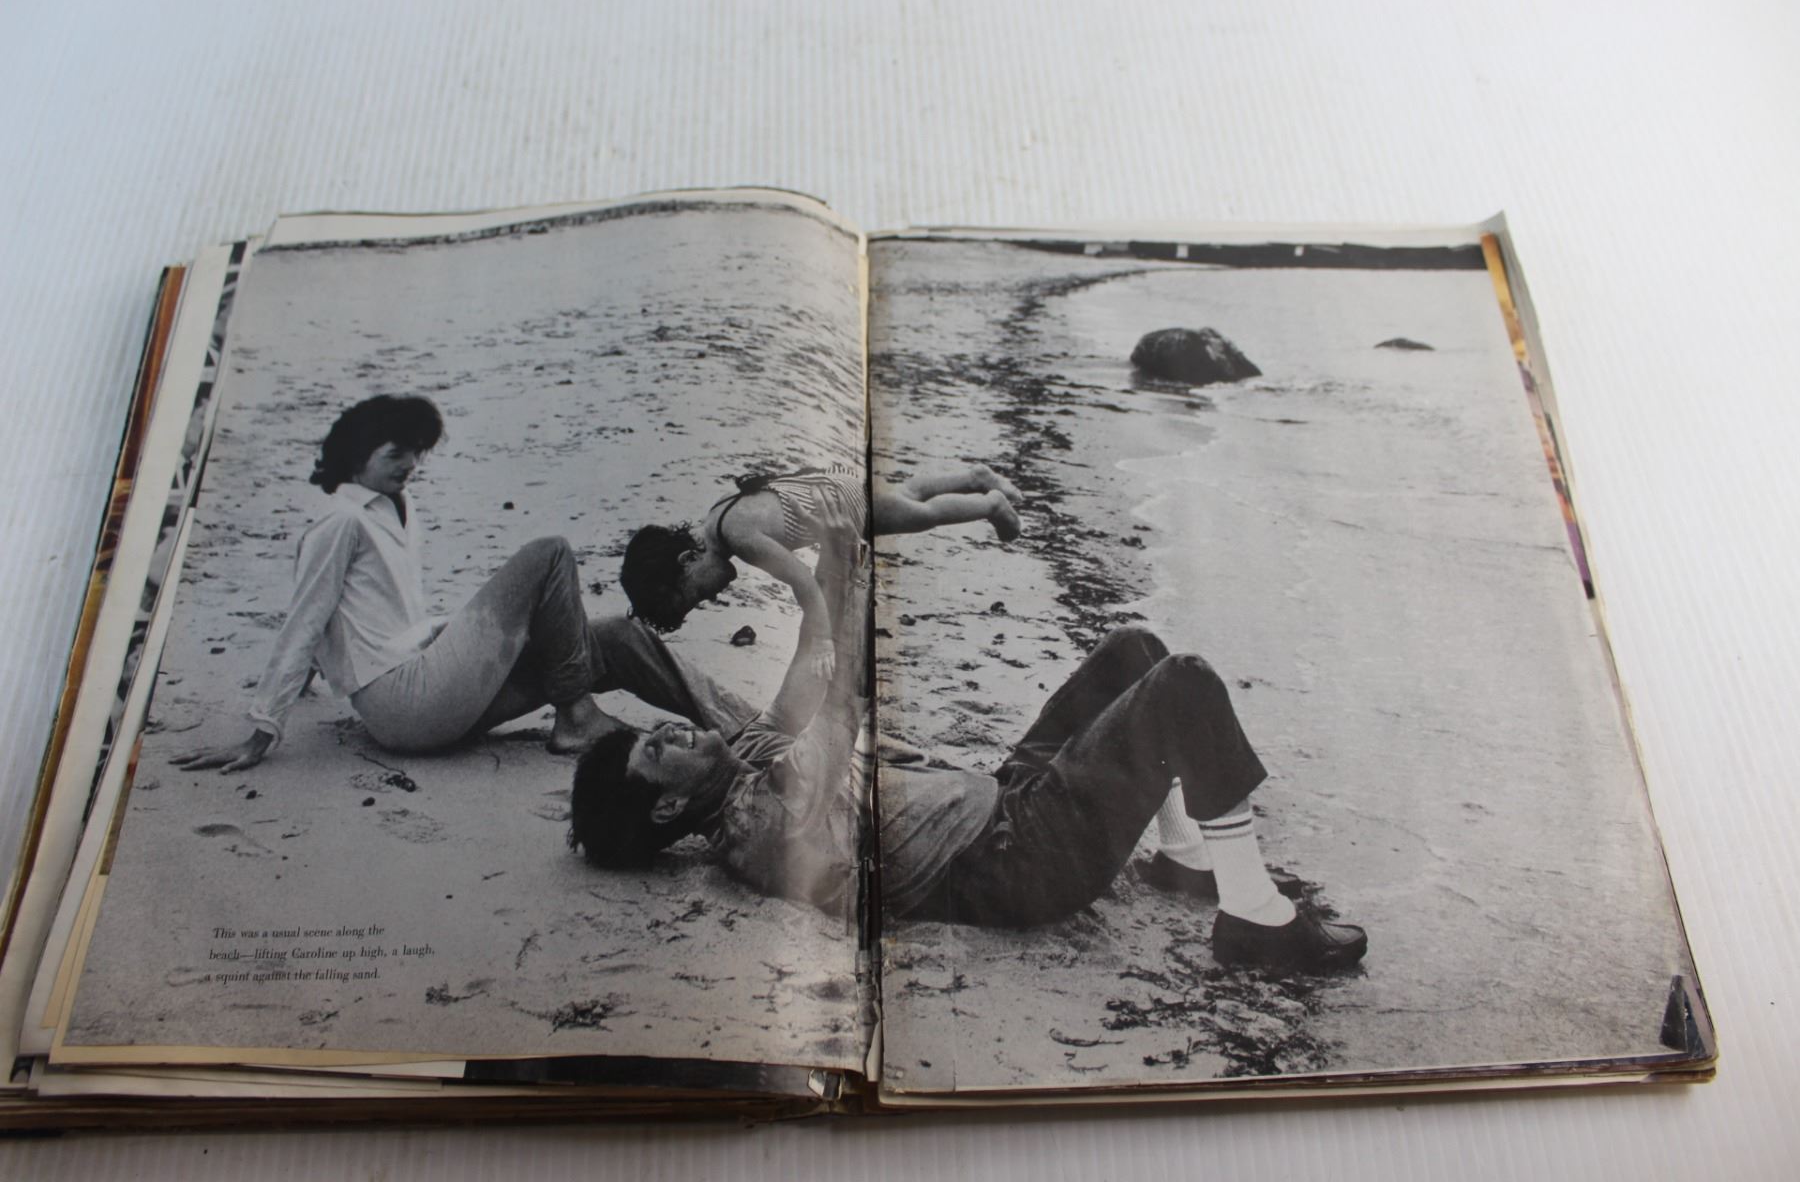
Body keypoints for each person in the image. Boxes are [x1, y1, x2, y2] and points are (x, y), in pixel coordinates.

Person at [570, 511, 1368, 974]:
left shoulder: (737, 782)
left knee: (1131, 648)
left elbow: (802, 695)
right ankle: (1253, 915)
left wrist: (834, 571)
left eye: (650, 734)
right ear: (668, 805)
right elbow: (840, 703)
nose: (665, 731)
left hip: (1001, 805)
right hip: (1023, 856)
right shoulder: (755, 822)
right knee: (1183, 682)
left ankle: (1186, 857)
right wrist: (850, 573)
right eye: (655, 750)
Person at [174, 394, 753, 774]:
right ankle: (577, 719)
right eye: (396, 452)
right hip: (403, 704)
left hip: (433, 684)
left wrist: (316, 678)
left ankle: (751, 730)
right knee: (549, 554)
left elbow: (357, 618)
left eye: (416, 453)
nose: (410, 464)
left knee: (618, 638)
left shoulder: (393, 510)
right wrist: (262, 728)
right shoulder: (340, 522)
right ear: (355, 455)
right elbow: (307, 618)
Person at [619, 463, 1025, 675]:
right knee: (906, 495)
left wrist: (822, 643)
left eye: (697, 594)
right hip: (829, 484)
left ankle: (990, 505)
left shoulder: (738, 536)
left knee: (922, 516)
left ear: (687, 560)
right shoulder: (716, 517)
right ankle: (974, 477)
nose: (711, 595)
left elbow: (804, 585)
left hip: (842, 504)